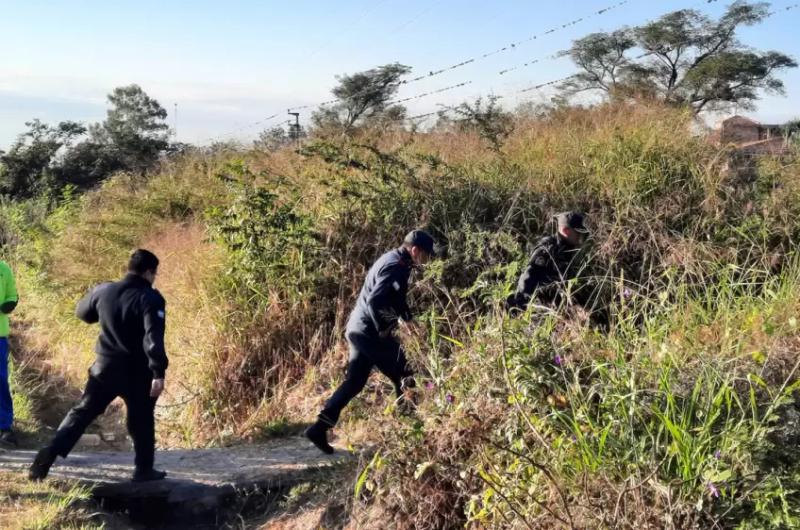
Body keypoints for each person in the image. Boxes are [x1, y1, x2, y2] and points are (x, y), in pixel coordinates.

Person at [29, 249, 169, 482]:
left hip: (104, 369)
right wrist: (158, 371)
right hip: (137, 372)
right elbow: (153, 338)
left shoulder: (104, 290)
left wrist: (105, 312)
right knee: (141, 418)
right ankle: (143, 470)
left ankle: (49, 454)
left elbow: (83, 313)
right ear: (148, 272)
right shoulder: (151, 298)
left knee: (82, 412)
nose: (154, 278)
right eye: (155, 274)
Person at [305, 230, 436, 454]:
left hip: (357, 328)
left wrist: (408, 320)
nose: (426, 260)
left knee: (355, 382)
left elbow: (395, 299)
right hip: (368, 331)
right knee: (406, 372)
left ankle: (319, 428)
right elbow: (376, 300)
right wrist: (386, 328)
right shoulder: (396, 266)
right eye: (425, 255)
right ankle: (408, 434)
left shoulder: (395, 260)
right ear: (415, 250)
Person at [505, 212, 590, 313]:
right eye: (578, 233)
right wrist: (523, 306)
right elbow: (528, 277)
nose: (580, 237)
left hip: (558, 304)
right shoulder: (548, 250)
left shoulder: (568, 250)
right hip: (541, 307)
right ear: (566, 231)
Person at [0, 259, 19, 447]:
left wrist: (10, 303)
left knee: (0, 380)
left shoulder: (3, 268)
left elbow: (12, 295)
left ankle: (5, 427)